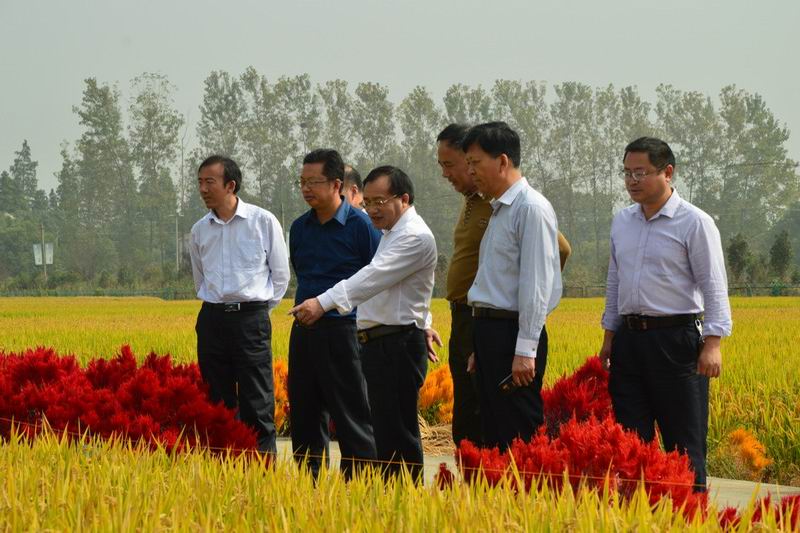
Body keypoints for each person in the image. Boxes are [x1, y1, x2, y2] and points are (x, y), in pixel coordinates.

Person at [290, 165, 439, 482]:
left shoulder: (414, 237)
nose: (371, 209)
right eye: (367, 201)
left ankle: (405, 499)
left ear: (404, 199)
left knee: (398, 435)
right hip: (381, 342)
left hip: (397, 344)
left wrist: (322, 302)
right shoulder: (390, 233)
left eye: (379, 202)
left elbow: (370, 278)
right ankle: (388, 497)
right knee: (385, 433)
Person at [599, 137, 732, 492]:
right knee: (631, 442)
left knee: (683, 444)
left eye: (640, 173)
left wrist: (713, 344)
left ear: (667, 172)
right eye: (626, 173)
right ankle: (637, 512)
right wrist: (610, 336)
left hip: (676, 342)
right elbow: (615, 282)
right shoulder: (622, 222)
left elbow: (714, 285)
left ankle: (690, 512)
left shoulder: (695, 222)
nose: (632, 181)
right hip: (629, 341)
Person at [437, 123, 573, 447]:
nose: (471, 171)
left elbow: (536, 285)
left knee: (517, 433)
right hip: (488, 331)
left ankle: (524, 483)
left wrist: (525, 349)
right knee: (491, 431)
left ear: (501, 161)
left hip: (511, 333)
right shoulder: (499, 208)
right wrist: (479, 346)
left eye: (474, 163)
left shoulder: (530, 208)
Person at [288, 149, 380, 480]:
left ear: (337, 184)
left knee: (351, 415)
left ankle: (358, 487)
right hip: (304, 331)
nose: (306, 188)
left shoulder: (361, 226)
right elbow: (300, 270)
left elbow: (376, 276)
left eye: (314, 182)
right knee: (304, 413)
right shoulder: (299, 228)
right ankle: (309, 483)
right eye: (302, 182)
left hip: (344, 332)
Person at [189, 155, 290, 454]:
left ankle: (263, 468)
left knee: (257, 401)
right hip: (212, 320)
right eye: (200, 182)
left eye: (210, 182)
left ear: (230, 185)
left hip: (251, 321)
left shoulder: (262, 221)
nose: (203, 189)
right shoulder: (199, 230)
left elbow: (281, 277)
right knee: (217, 402)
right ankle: (223, 467)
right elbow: (200, 279)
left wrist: (255, 312)